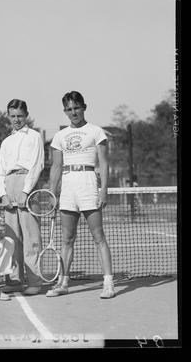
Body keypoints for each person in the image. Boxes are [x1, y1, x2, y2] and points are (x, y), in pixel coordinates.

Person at [47, 91, 115, 299]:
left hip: (88, 183)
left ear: (84, 107)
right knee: (67, 239)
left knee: (98, 236)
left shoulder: (96, 132)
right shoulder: (59, 136)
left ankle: (108, 284)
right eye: (69, 109)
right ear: (65, 111)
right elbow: (56, 166)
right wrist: (52, 193)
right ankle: (63, 283)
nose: (73, 112)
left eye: (76, 107)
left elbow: (103, 163)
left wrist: (103, 190)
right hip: (68, 187)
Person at [0, 99, 45, 295]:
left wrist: (26, 191)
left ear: (26, 115)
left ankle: (34, 281)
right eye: (13, 116)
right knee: (11, 238)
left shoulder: (34, 136)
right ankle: (14, 280)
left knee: (31, 238)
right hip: (9, 186)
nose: (16, 120)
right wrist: (3, 194)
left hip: (28, 185)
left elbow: (37, 165)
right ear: (8, 116)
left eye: (20, 116)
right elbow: (0, 170)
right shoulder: (6, 141)